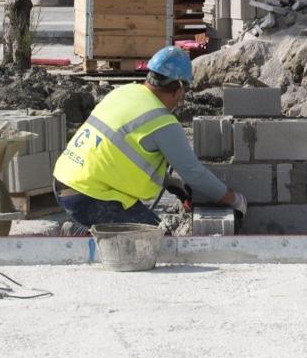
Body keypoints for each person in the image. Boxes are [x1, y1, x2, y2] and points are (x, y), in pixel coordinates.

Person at [53, 46, 246, 229]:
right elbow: (195, 174)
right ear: (178, 88)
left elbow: (119, 152)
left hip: (64, 179)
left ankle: (83, 228)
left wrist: (171, 183)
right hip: (89, 195)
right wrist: (235, 200)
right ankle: (83, 232)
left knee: (145, 228)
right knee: (157, 241)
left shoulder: (124, 92)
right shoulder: (162, 121)